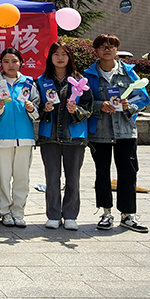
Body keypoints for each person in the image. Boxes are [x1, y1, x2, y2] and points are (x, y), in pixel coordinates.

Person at [84, 34, 150, 232]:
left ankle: (128, 215)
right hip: (99, 132)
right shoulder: (89, 75)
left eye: (111, 47)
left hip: (125, 132)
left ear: (117, 50)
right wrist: (99, 105)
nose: (107, 50)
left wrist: (129, 106)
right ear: (96, 51)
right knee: (102, 173)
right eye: (103, 47)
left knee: (128, 173)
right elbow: (83, 101)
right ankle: (106, 213)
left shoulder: (129, 73)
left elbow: (142, 98)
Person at [36, 42, 92, 231]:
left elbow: (88, 108)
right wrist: (44, 109)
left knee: (73, 178)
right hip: (49, 136)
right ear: (50, 58)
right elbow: (34, 106)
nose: (60, 58)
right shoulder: (42, 81)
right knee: (52, 178)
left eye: (64, 54)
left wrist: (77, 110)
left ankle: (70, 215)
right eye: (56, 54)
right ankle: (53, 215)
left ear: (70, 57)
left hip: (74, 136)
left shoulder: (81, 81)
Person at [0, 48, 40, 228]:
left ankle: (18, 212)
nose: (10, 65)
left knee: (22, 177)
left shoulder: (29, 83)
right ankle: (5, 212)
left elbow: (37, 111)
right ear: (1, 64)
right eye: (6, 61)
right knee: (3, 178)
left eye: (14, 61)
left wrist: (31, 109)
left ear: (21, 63)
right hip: (2, 137)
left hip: (25, 137)